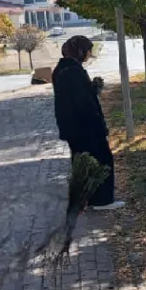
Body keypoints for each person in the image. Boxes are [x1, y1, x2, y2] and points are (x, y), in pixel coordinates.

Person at [52, 35, 124, 211]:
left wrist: (92, 89)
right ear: (80, 51)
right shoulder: (73, 72)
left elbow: (74, 96)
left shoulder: (63, 68)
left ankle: (87, 199)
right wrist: (99, 126)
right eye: (88, 51)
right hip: (84, 127)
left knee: (83, 162)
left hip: (72, 127)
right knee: (102, 160)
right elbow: (83, 103)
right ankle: (102, 200)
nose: (89, 55)